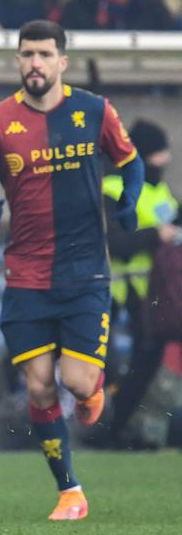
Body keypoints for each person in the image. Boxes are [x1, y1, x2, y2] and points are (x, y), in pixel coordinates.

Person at [0, 20, 143, 521]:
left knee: (77, 383)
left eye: (43, 54)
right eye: (26, 54)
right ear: (18, 61)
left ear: (62, 61)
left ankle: (91, 390)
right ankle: (70, 491)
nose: (34, 63)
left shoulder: (95, 110)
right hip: (25, 276)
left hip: (85, 273)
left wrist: (130, 200)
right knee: (39, 386)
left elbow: (130, 162)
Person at [102, 119, 180, 446]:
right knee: (103, 363)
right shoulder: (113, 189)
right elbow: (115, 241)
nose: (167, 159)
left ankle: (117, 426)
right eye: (161, 152)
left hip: (154, 293)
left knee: (146, 361)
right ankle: (105, 427)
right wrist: (155, 235)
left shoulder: (163, 193)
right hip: (115, 289)